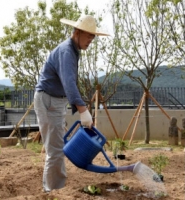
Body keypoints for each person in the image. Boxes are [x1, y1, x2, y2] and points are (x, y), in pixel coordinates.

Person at [34, 15, 109, 192]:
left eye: (93, 36)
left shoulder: (73, 51)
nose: (91, 40)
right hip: (49, 100)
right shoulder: (67, 51)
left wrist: (82, 108)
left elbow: (69, 84)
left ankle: (55, 189)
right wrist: (83, 110)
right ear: (77, 32)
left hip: (56, 101)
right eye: (88, 35)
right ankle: (52, 192)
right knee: (55, 151)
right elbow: (69, 83)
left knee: (57, 148)